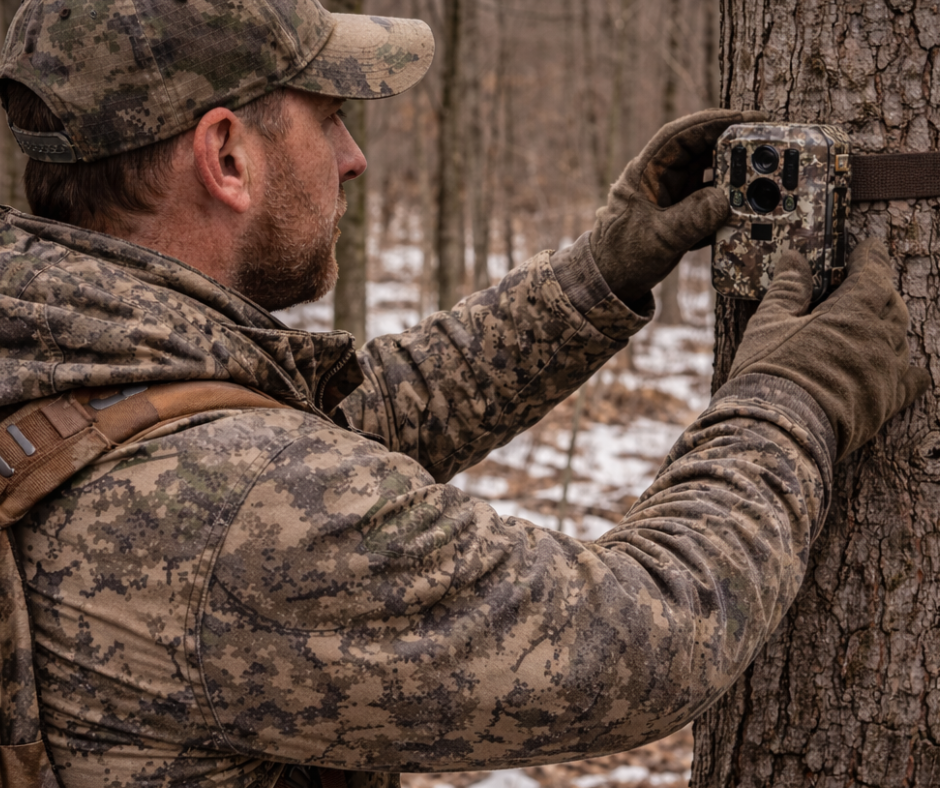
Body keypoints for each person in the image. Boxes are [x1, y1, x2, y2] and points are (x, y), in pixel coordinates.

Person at [0, 1, 927, 787]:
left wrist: (599, 274)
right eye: (330, 118)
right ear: (227, 157)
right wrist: (792, 400)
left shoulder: (67, 366)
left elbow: (351, 419)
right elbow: (647, 638)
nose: (353, 157)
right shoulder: (238, 513)